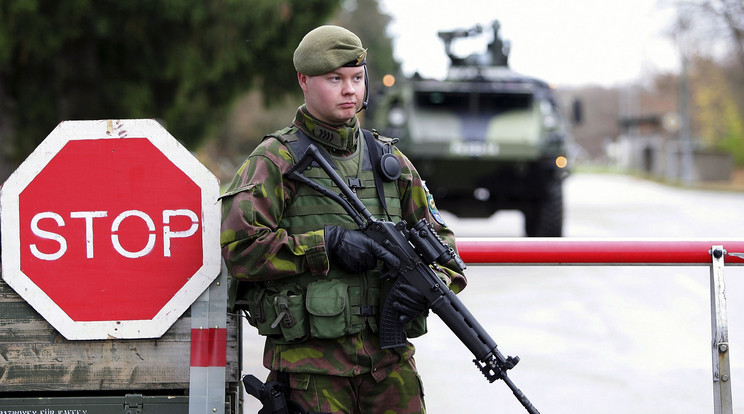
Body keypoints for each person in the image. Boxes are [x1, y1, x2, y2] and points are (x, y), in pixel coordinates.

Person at [220, 25, 467, 414]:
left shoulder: (388, 161)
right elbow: (241, 249)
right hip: (310, 373)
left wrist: (433, 283)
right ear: (304, 80)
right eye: (334, 79)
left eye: (356, 78)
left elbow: (443, 242)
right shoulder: (275, 161)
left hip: (389, 367)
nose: (350, 90)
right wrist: (325, 245)